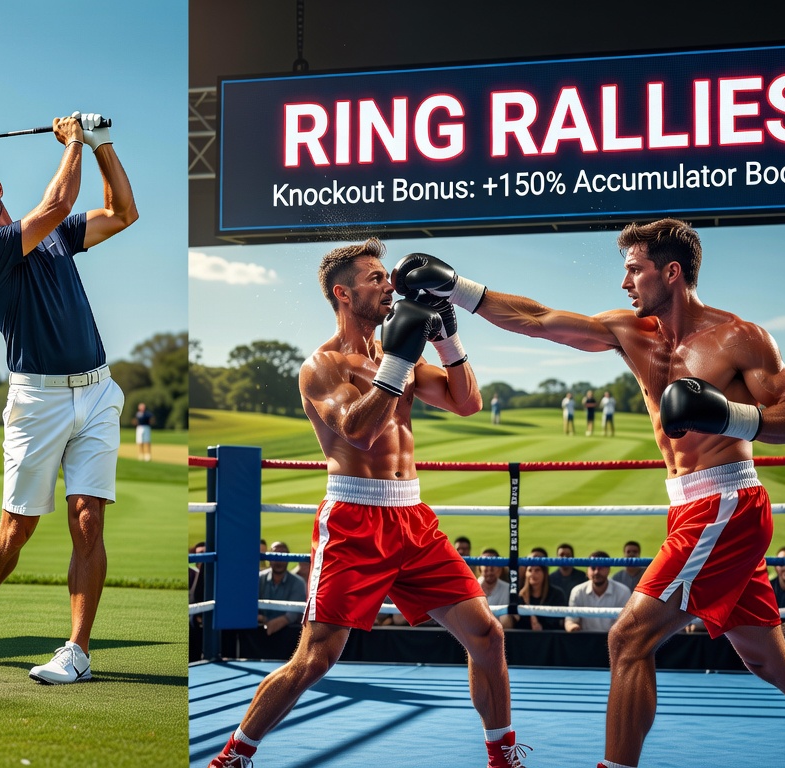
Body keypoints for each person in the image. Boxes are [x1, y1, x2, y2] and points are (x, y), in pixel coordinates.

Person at [401, 219, 785, 767]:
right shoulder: (631, 331)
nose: (625, 283)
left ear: (672, 272)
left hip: (727, 504)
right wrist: (458, 289)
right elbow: (540, 321)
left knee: (628, 638)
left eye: (635, 269)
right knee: (767, 660)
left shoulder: (739, 337)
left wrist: (728, 415)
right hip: (691, 508)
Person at [209, 240, 530, 768]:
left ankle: (500, 754)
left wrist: (447, 340)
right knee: (316, 658)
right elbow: (357, 431)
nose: (390, 286)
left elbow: (466, 402)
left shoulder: (394, 356)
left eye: (388, 277)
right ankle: (235, 754)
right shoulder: (322, 366)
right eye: (376, 278)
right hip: (354, 520)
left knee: (486, 634)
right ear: (344, 292)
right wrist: (400, 361)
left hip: (412, 517)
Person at [0, 112, 136, 685]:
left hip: (97, 391)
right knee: (16, 528)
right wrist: (74, 141)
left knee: (87, 521)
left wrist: (102, 146)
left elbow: (123, 213)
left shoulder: (52, 238)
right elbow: (53, 206)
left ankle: (76, 650)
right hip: (38, 401)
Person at [566, 553, 633, 633]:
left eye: (601, 567)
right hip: (585, 640)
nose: (597, 571)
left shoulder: (623, 592)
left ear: (609, 569)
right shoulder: (577, 591)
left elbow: (626, 624)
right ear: (587, 570)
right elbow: (570, 621)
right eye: (593, 567)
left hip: (613, 641)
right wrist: (573, 627)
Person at [503, 561, 566, 631]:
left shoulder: (556, 594)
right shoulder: (520, 596)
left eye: (537, 570)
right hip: (525, 637)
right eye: (530, 570)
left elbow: (557, 622)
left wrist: (541, 626)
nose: (533, 574)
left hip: (551, 637)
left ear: (544, 573)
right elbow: (519, 624)